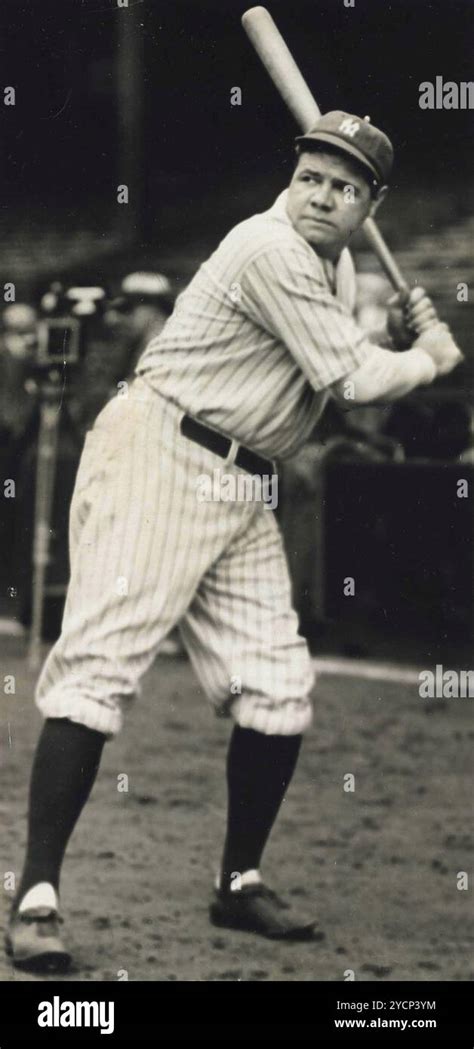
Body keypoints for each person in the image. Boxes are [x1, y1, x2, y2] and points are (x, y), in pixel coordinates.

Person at [6, 111, 462, 972]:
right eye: (310, 176)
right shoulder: (268, 247)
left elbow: (336, 358)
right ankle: (34, 896)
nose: (320, 195)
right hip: (162, 451)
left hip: (244, 476)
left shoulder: (338, 265)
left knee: (278, 686)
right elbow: (352, 381)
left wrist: (390, 340)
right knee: (100, 668)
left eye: (344, 187)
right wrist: (430, 357)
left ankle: (239, 881)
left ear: (372, 205)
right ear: (292, 178)